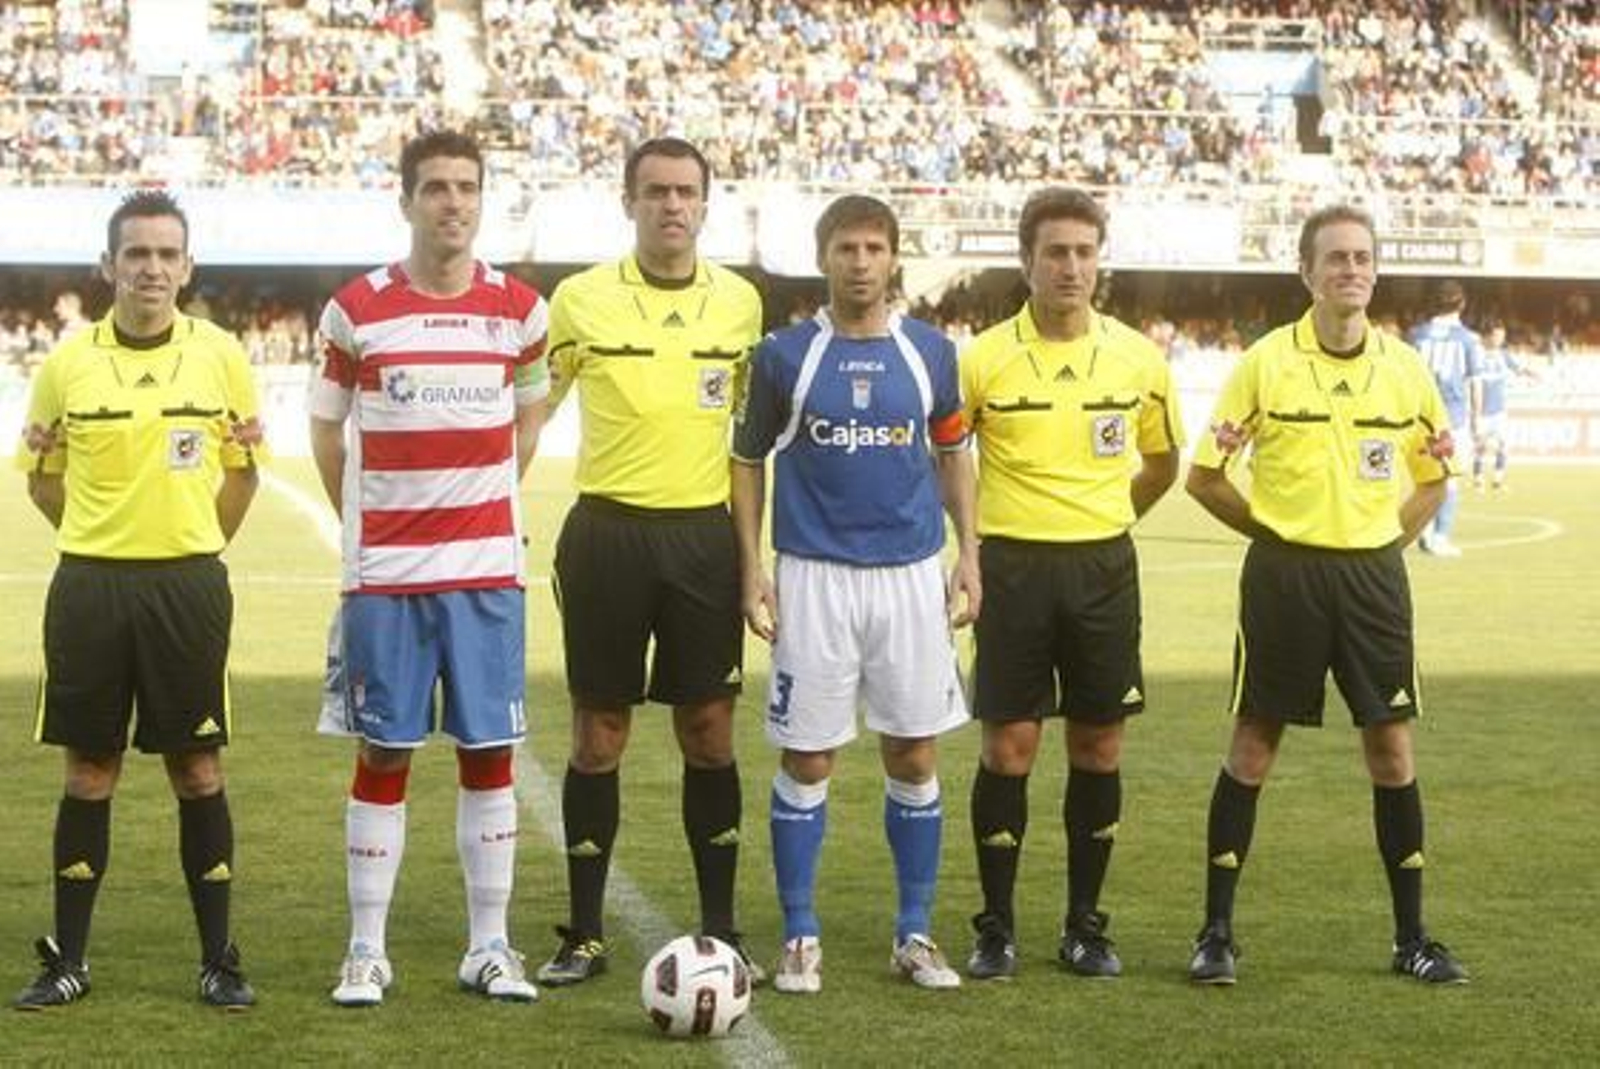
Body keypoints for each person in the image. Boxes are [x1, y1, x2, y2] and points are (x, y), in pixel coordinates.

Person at [1185, 205, 1469, 986]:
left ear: (1375, 270)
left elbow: (1435, 477)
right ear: (1306, 272)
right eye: (1336, 257)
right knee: (1253, 744)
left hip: (1373, 582)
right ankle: (1215, 933)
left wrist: (1379, 542)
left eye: (1363, 257)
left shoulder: (1407, 370)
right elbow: (1203, 476)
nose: (1351, 269)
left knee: (1392, 746)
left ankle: (1412, 937)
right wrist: (1277, 534)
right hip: (1284, 579)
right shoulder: (1265, 364)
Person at [309, 130, 549, 1007]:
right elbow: (326, 431)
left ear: (483, 198)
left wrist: (484, 501)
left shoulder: (521, 309)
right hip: (386, 576)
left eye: (468, 186)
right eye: (437, 187)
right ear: (405, 199)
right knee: (386, 751)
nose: (454, 201)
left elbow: (530, 417)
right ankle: (365, 949)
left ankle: (490, 945)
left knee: (491, 753)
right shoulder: (356, 310)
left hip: (486, 572)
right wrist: (376, 523)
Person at [12, 191, 264, 1010]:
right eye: (136, 254)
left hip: (187, 586)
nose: (151, 268)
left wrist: (190, 544)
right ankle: (68, 961)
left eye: (166, 254)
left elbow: (243, 474)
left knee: (197, 767)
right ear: (108, 266)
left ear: (187, 267)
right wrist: (102, 534)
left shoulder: (221, 357)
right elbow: (43, 481)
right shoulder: (66, 364)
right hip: (89, 585)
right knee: (90, 767)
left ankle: (218, 960)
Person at [731, 194, 980, 994]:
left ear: (894, 257)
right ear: (824, 257)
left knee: (913, 749)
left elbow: (953, 456)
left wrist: (969, 553)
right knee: (809, 755)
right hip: (814, 573)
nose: (861, 261)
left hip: (910, 574)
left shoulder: (932, 355)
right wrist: (752, 566)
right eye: (847, 248)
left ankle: (915, 933)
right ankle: (800, 935)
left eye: (875, 247)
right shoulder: (783, 356)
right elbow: (746, 460)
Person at [537, 137, 764, 986]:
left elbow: (748, 451)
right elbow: (531, 411)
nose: (672, 205)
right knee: (600, 734)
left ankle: (723, 928)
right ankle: (585, 932)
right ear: (628, 202)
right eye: (656, 192)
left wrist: (752, 563)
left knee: (708, 732)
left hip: (702, 540)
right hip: (607, 537)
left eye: (686, 192)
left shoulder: (741, 304)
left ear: (707, 203)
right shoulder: (580, 299)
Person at [958, 188, 1184, 981]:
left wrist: (1110, 514)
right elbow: (949, 460)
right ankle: (996, 928)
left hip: (1102, 568)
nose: (1071, 266)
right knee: (1010, 746)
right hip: (1013, 569)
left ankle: (1086, 925)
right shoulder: (981, 359)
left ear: (1101, 262)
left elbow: (1163, 462)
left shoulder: (1136, 358)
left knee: (1098, 743)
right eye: (1056, 251)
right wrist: (970, 548)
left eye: (1085, 252)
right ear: (1027, 261)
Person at [1409, 280, 1482, 557]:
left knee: (1424, 480)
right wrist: (1477, 421)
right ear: (1461, 304)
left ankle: (1424, 532)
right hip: (1452, 421)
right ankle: (1439, 537)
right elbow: (1475, 384)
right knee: (1448, 480)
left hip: (1420, 420)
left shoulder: (1416, 335)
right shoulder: (1469, 340)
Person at [1471, 324, 1531, 490]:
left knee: (1504, 445)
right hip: (1482, 411)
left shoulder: (1504, 355)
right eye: (1497, 336)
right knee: (1480, 446)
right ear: (1489, 336)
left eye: (1502, 336)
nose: (1500, 340)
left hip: (1499, 411)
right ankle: (1478, 479)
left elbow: (1518, 369)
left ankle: (1497, 481)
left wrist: (1532, 373)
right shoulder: (1477, 356)